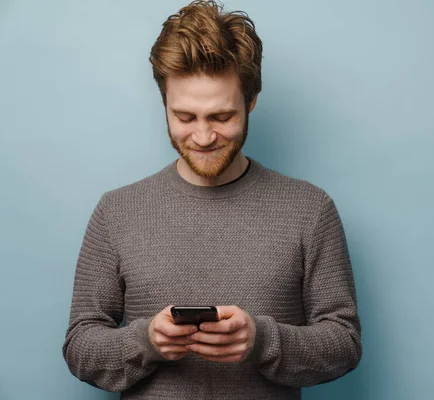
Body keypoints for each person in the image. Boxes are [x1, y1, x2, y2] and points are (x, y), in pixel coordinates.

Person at [62, 1, 361, 398]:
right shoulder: (116, 212)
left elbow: (345, 343)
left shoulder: (310, 210)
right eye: (185, 117)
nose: (203, 137)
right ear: (163, 103)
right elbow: (80, 347)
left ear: (251, 101)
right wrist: (146, 342)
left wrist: (262, 342)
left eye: (221, 117)